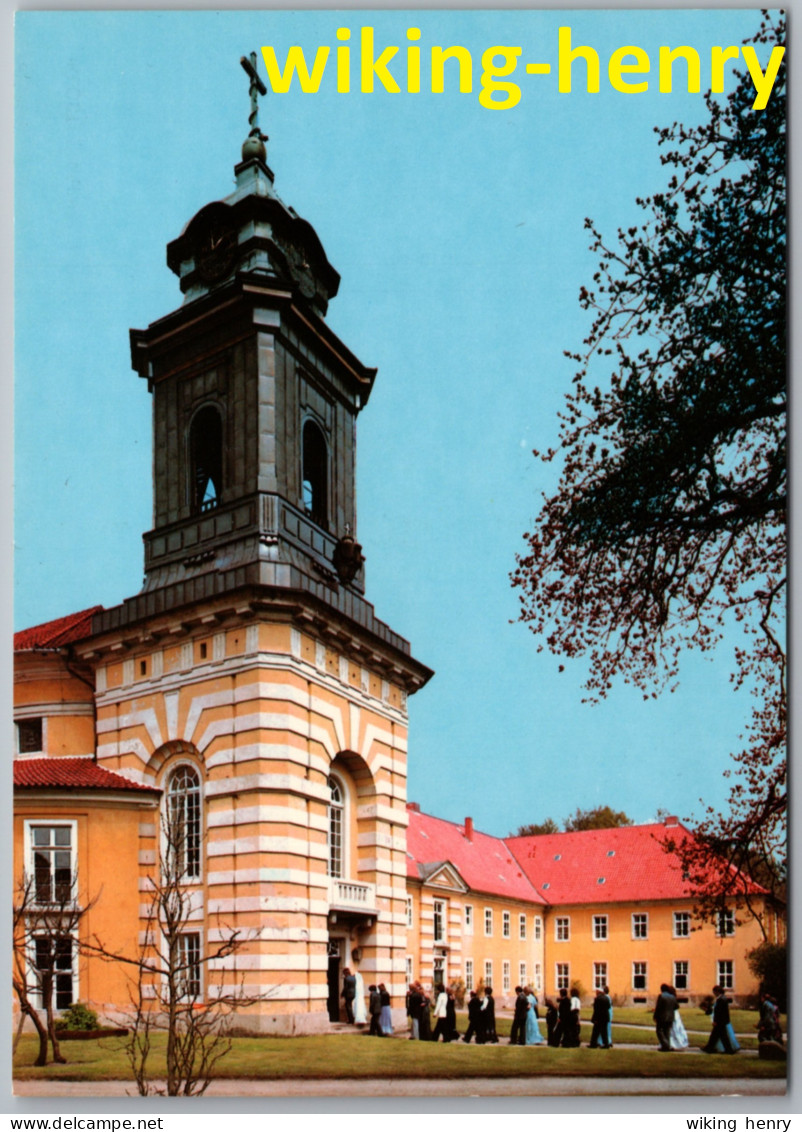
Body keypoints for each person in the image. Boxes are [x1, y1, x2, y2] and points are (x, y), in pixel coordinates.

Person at [703, 985, 737, 1054]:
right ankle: (710, 1048)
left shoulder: (721, 1000)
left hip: (720, 1021)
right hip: (722, 1021)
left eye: (714, 992)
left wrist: (715, 1021)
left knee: (721, 1036)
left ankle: (727, 1050)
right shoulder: (722, 998)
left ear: (717, 992)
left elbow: (719, 1012)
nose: (714, 993)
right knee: (717, 1036)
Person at [653, 983, 678, 1051]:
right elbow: (676, 1006)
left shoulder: (661, 996)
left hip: (662, 1017)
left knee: (659, 1031)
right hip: (670, 1017)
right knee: (667, 1032)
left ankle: (666, 1045)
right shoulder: (672, 996)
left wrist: (655, 1016)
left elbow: (658, 1007)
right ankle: (666, 1046)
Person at [668, 984, 689, 1050]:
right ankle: (678, 1044)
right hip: (675, 1014)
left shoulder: (670, 998)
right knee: (676, 1028)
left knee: (674, 1029)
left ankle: (675, 1044)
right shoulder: (673, 997)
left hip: (672, 1013)